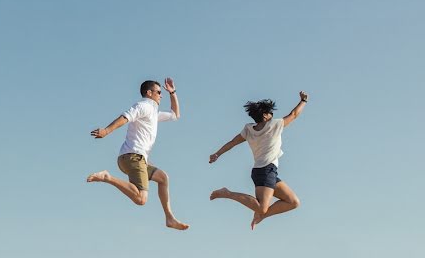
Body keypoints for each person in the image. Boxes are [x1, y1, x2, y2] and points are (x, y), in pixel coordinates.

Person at [86, 78, 189, 230]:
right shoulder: (143, 106)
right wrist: (107, 131)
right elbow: (125, 117)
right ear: (149, 93)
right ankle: (107, 177)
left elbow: (175, 114)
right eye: (159, 92)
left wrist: (172, 92)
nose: (161, 95)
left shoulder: (153, 112)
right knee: (141, 199)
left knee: (163, 178)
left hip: (136, 158)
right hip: (133, 157)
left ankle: (169, 218)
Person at [208, 91, 309, 229]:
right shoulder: (274, 124)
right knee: (262, 207)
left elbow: (232, 142)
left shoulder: (249, 129)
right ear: (265, 116)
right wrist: (303, 101)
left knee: (293, 202)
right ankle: (227, 193)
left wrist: (217, 154)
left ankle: (262, 215)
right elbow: (294, 114)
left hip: (268, 171)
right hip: (265, 171)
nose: (272, 115)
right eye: (270, 113)